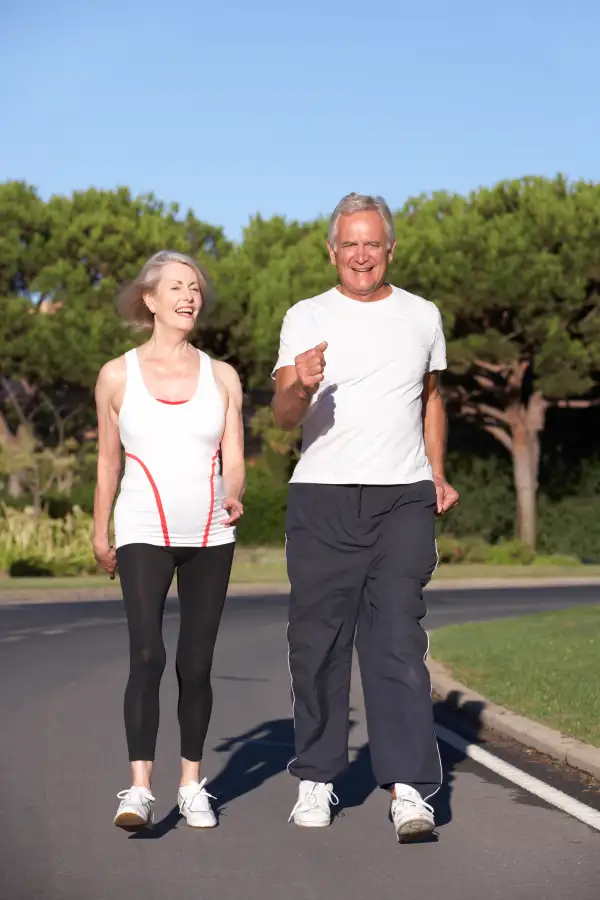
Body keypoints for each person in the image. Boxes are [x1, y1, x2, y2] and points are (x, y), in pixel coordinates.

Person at [272, 193, 459, 842]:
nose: (360, 255)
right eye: (348, 244)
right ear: (332, 250)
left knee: (398, 642)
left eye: (371, 243)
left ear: (390, 249)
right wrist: (298, 380)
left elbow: (431, 400)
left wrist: (437, 469)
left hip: (403, 495)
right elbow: (284, 416)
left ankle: (409, 788)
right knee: (317, 644)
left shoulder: (423, 316)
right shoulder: (305, 317)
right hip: (323, 496)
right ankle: (318, 778)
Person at [93, 250, 245, 830]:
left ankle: (190, 783)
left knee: (196, 662)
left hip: (211, 532)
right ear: (150, 299)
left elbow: (234, 458)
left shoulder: (222, 376)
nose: (189, 296)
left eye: (196, 289)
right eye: (178, 287)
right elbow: (109, 461)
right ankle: (138, 789)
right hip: (141, 529)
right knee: (147, 653)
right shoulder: (116, 375)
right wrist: (97, 525)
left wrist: (234, 492)